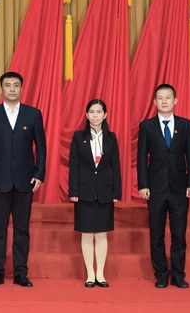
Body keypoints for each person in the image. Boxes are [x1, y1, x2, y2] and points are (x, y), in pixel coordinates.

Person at [0, 71, 46, 287]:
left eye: (16, 85)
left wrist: (39, 173)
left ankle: (20, 272)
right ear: (1, 89)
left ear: (22, 89)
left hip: (25, 180)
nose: (12, 89)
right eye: (7, 85)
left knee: (22, 229)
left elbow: (41, 147)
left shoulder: (33, 114)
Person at [137, 83, 190, 289]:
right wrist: (143, 185)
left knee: (179, 233)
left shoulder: (186, 125)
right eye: (160, 98)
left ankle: (178, 274)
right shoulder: (146, 126)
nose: (164, 101)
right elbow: (141, 158)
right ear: (155, 102)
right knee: (157, 233)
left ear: (175, 101)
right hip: (155, 188)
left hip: (180, 188)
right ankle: (161, 274)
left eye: (168, 97)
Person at [68, 99, 121, 288]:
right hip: (84, 191)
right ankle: (90, 274)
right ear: (86, 115)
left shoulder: (111, 138)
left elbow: (116, 165)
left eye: (99, 112)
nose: (95, 115)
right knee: (87, 233)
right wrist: (73, 190)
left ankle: (101, 274)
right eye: (92, 112)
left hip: (105, 191)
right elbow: (73, 165)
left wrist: (117, 190)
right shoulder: (78, 137)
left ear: (105, 115)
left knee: (101, 234)